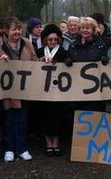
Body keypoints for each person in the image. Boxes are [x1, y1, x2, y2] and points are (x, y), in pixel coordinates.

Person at [0, 17, 38, 162]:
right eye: (14, 29)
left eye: (19, 29)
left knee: (22, 119)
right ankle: (8, 149)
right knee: (8, 120)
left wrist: (44, 61)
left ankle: (22, 148)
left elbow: (34, 60)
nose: (17, 32)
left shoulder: (27, 43)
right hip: (6, 90)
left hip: (23, 88)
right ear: (6, 30)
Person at [35, 24, 67, 157]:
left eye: (55, 39)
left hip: (59, 90)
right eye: (50, 40)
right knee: (44, 115)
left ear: (58, 40)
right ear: (45, 40)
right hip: (43, 91)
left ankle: (56, 143)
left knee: (58, 116)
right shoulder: (39, 52)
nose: (53, 42)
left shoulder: (64, 53)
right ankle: (49, 143)